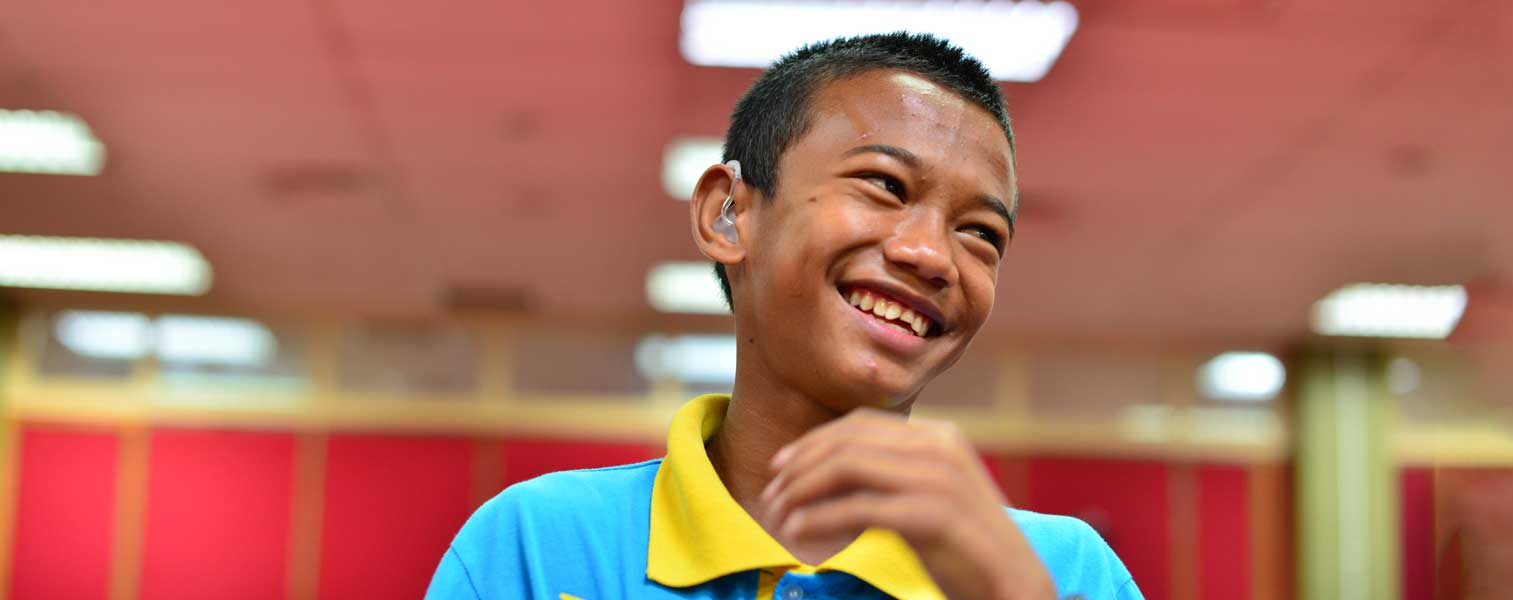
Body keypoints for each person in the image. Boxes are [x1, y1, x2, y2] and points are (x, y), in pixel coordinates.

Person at [426, 33, 1141, 600]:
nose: (931, 254)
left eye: (981, 232)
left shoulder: (1064, 572)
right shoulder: (540, 546)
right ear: (728, 213)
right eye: (884, 185)